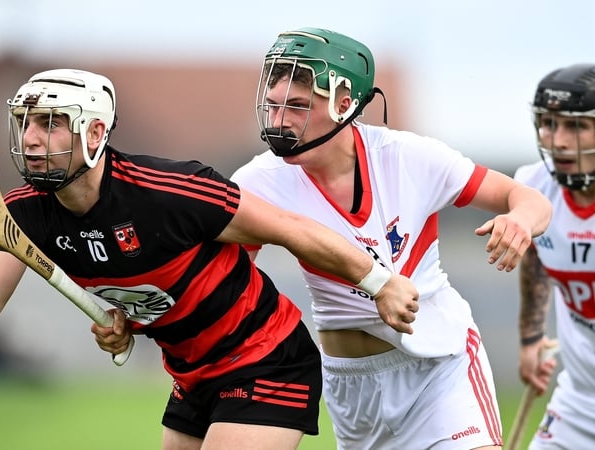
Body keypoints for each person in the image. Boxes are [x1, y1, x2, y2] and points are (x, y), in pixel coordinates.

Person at [0, 68, 421, 450]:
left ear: (96, 134)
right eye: (26, 123)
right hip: (192, 376)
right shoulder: (25, 214)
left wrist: (380, 281)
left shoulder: (168, 193)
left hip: (267, 359)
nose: (32, 138)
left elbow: (294, 230)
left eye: (52, 123)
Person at [228, 27, 553, 449]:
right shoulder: (258, 182)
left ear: (344, 105)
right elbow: (216, 277)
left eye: (297, 106)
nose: (279, 121)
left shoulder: (409, 157)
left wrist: (521, 222)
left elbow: (526, 198)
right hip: (350, 386)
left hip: (438, 368)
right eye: (273, 106)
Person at [514, 63, 595, 449]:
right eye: (548, 123)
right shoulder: (533, 186)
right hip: (579, 401)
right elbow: (536, 254)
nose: (558, 140)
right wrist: (531, 338)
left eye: (576, 126)